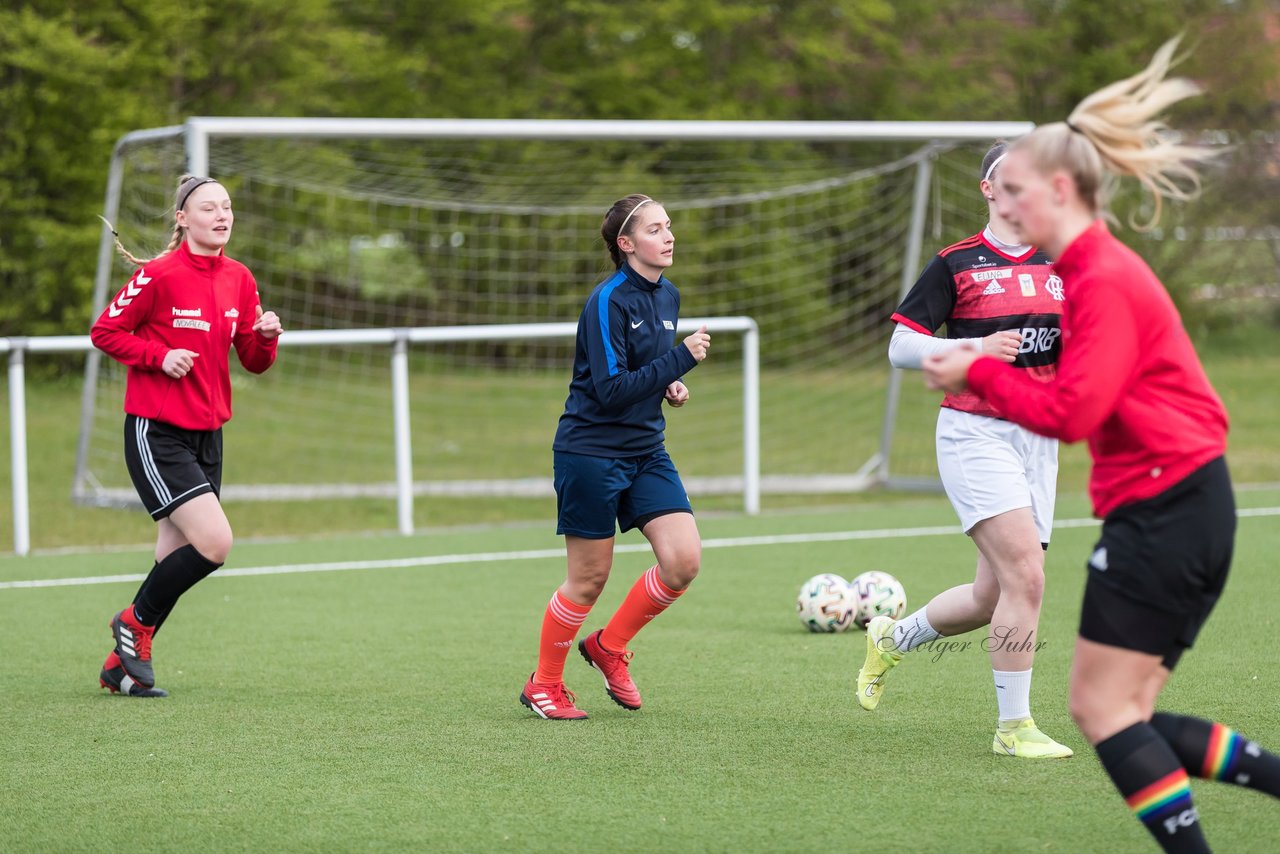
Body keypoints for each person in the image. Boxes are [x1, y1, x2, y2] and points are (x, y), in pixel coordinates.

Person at [923, 38, 1280, 852]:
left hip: (1167, 506)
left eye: (1015, 192)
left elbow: (1075, 411)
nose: (1004, 208)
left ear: (1057, 189)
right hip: (1179, 501)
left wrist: (972, 368)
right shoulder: (1086, 272)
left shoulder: (1101, 277)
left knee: (1102, 711)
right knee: (1127, 714)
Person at [856, 142, 1073, 759]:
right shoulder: (957, 263)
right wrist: (975, 351)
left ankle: (894, 639)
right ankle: (1014, 729)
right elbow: (901, 347)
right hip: (976, 433)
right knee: (1027, 577)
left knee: (990, 596)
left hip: (1040, 440)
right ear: (987, 187)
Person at [520, 193, 711, 720]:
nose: (668, 236)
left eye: (669, 226)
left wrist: (668, 381)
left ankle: (608, 646)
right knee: (589, 579)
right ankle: (544, 684)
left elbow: (640, 369)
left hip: (647, 450)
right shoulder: (607, 301)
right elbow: (608, 389)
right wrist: (681, 359)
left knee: (683, 561)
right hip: (591, 452)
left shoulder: (667, 295)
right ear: (625, 244)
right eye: (654, 229)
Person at [92, 174, 283, 698]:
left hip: (208, 433)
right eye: (207, 208)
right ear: (182, 218)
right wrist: (159, 356)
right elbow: (104, 331)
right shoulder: (158, 275)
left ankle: (119, 667)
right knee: (215, 543)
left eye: (227, 207)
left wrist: (265, 339)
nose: (220, 215)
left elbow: (253, 360)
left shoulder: (240, 278)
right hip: (157, 432)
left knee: (171, 556)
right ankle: (133, 625)